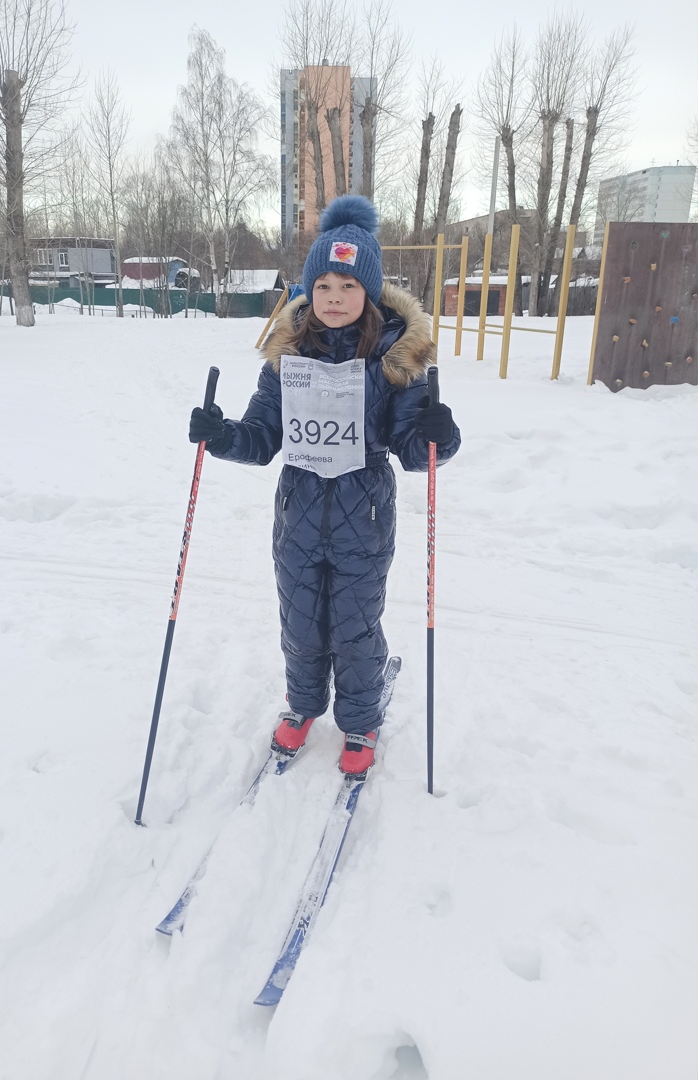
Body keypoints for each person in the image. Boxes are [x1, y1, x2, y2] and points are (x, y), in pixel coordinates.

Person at [189, 195, 460, 776]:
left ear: (370, 292)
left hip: (365, 514)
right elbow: (262, 435)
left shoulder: (394, 358)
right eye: (324, 286)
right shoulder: (288, 355)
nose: (335, 297)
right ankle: (304, 703)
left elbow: (413, 447)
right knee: (300, 619)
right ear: (309, 290)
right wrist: (222, 435)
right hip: (299, 511)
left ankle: (360, 720)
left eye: (348, 286)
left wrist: (438, 435)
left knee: (355, 625)